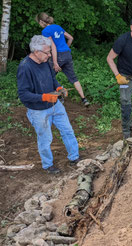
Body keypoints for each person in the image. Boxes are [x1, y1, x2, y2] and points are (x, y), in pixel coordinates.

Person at [17, 35, 80, 174]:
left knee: (68, 130)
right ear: (36, 51)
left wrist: (58, 88)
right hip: (38, 111)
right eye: (47, 52)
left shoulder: (45, 62)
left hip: (55, 105)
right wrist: (44, 97)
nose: (50, 55)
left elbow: (52, 78)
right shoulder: (25, 67)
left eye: (50, 51)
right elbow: (23, 94)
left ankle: (74, 158)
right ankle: (48, 165)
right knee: (45, 139)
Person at [35, 12, 90, 106]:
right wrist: (66, 48)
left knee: (48, 77)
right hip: (67, 54)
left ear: (41, 21)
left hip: (58, 55)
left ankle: (59, 96)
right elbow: (71, 38)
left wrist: (55, 62)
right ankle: (84, 100)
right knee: (74, 78)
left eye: (38, 22)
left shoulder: (45, 31)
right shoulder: (57, 27)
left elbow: (53, 47)